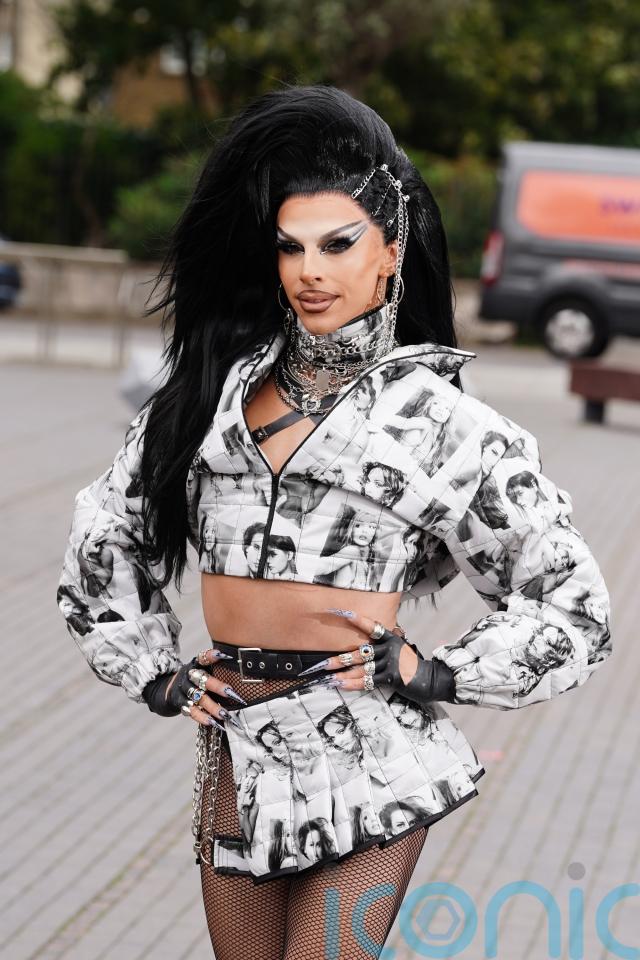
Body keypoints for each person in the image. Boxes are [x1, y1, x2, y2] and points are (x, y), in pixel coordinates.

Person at [56, 84, 612, 959]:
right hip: (237, 751)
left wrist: (436, 671)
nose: (310, 270)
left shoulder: (445, 426)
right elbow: (104, 537)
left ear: (390, 253)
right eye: (292, 247)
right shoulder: (209, 401)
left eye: (338, 244)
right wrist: (155, 674)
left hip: (371, 760)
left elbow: (571, 602)